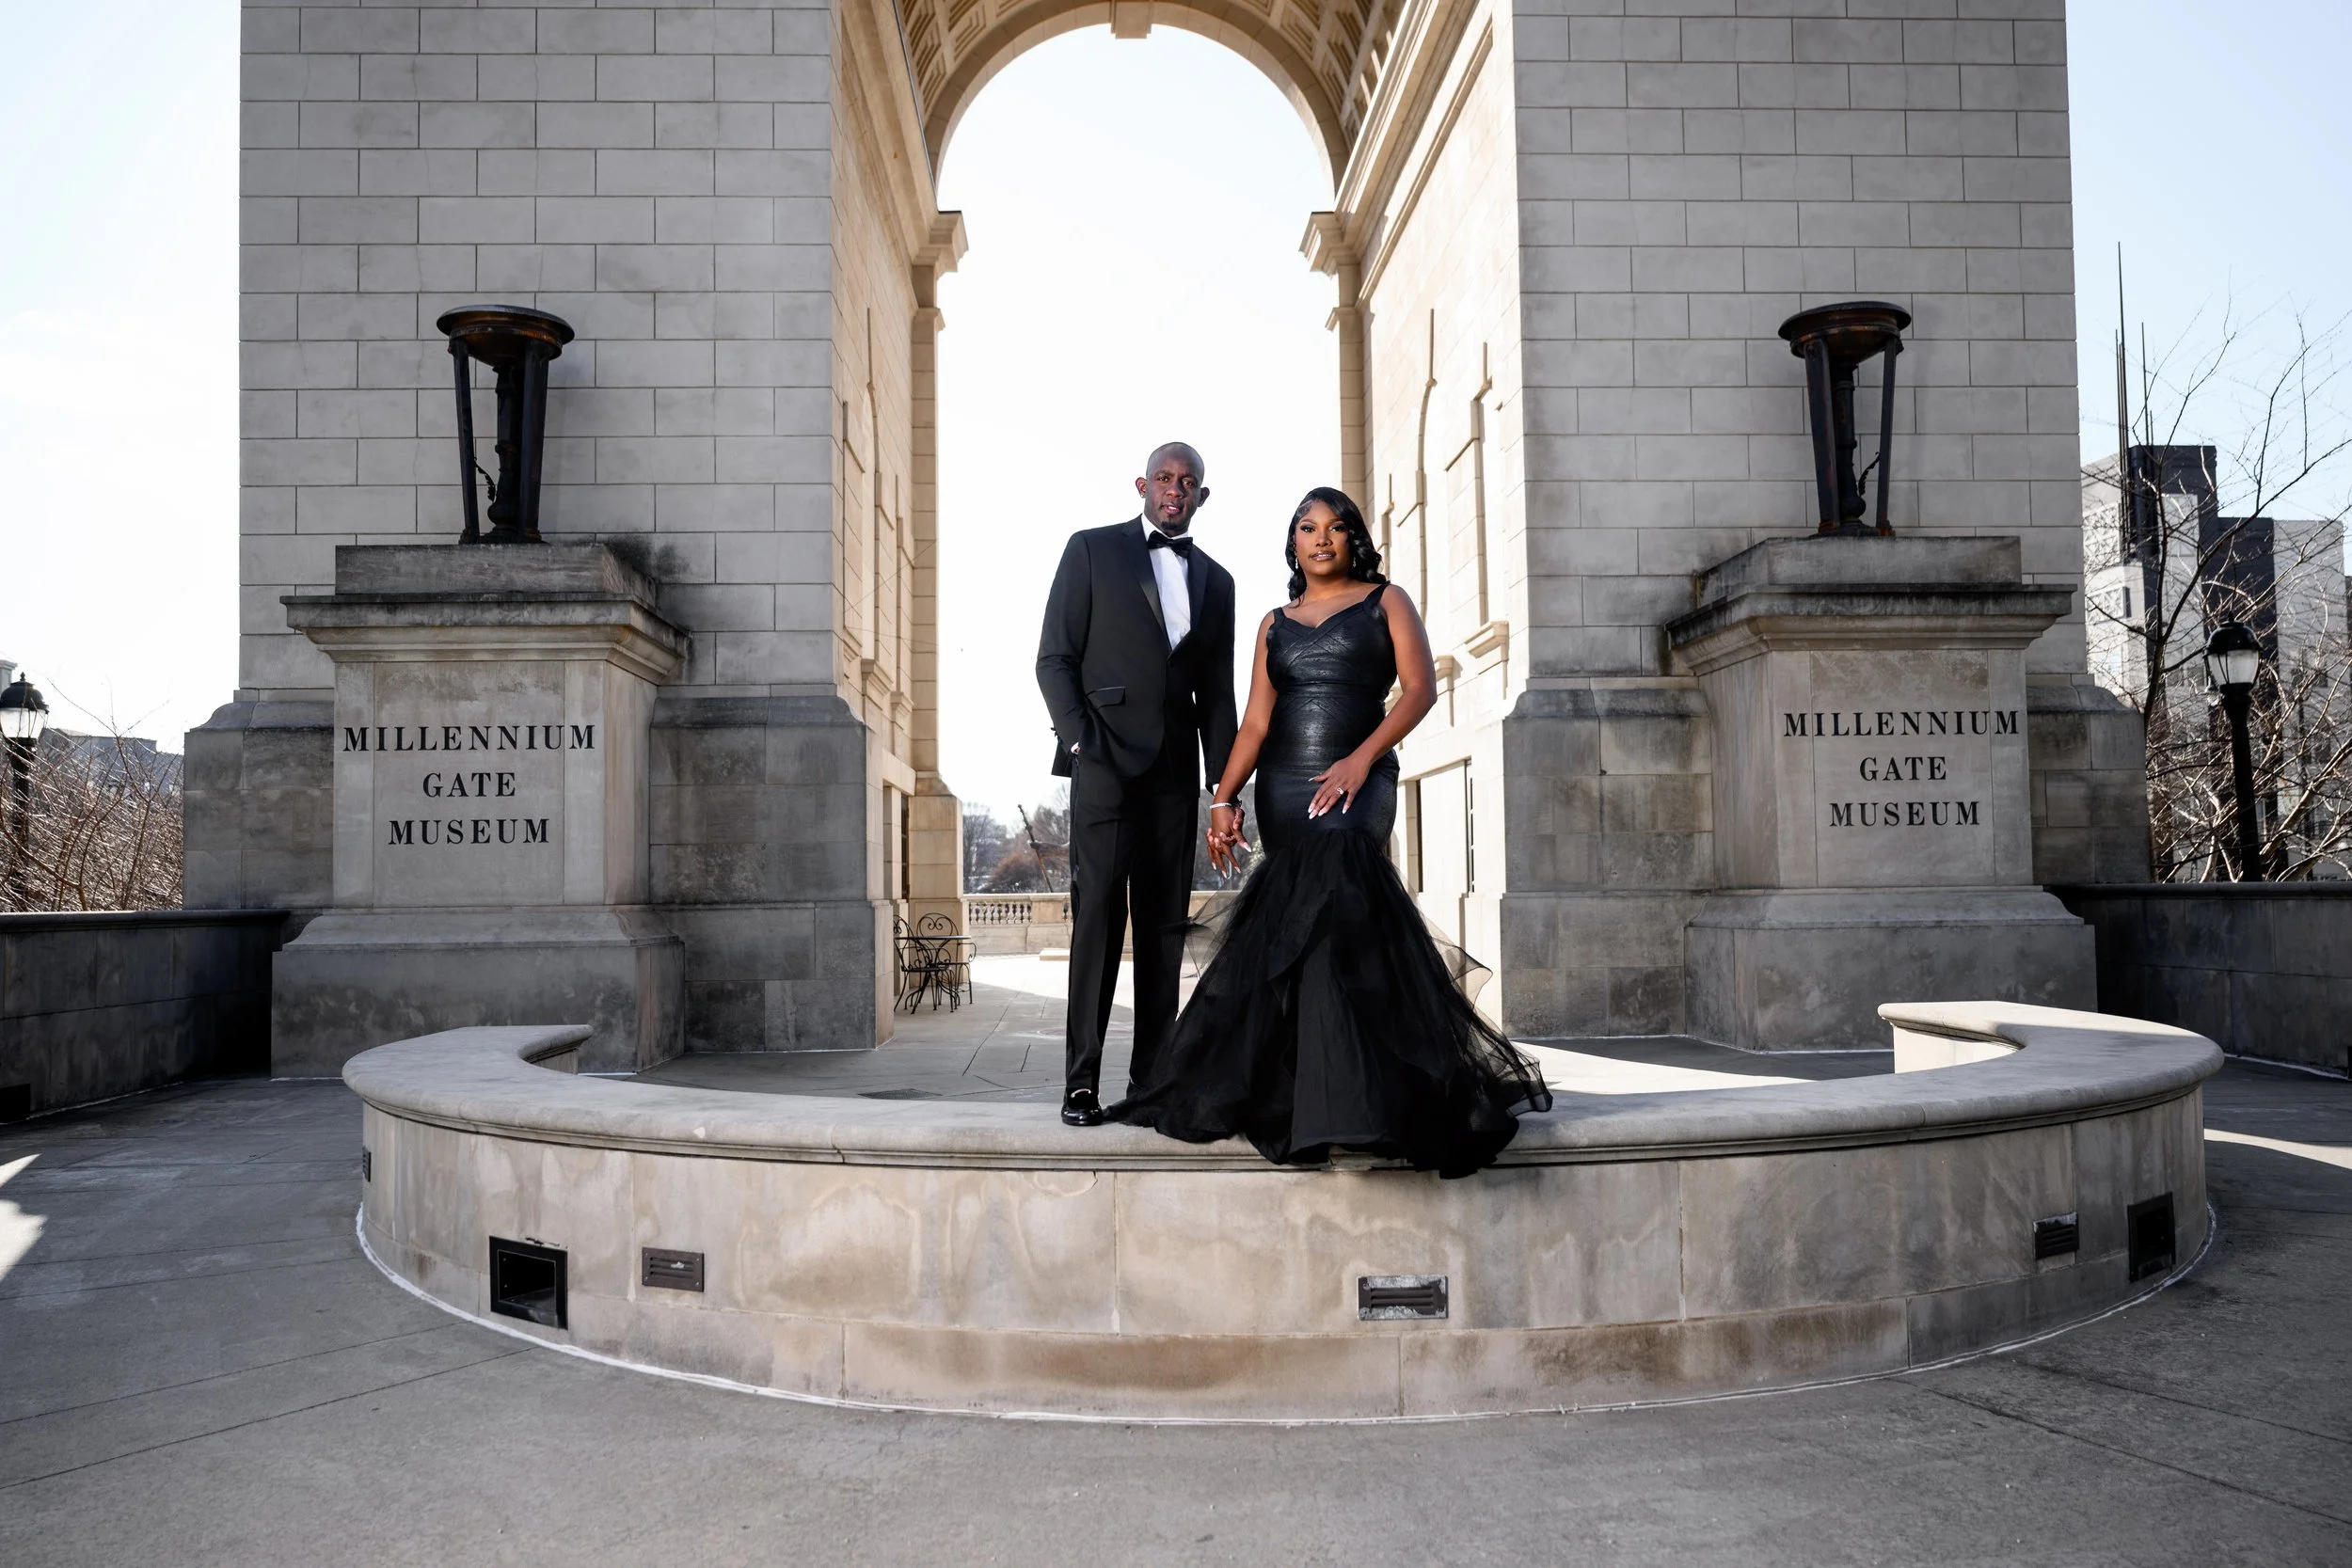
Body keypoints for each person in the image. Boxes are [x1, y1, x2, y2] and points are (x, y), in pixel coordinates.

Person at [1108, 486, 1551, 1176]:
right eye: (1307, 529)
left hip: (1358, 780)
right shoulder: (1273, 624)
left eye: (1336, 528)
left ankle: (1358, 1104)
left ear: (1354, 540)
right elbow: (1255, 722)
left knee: (1343, 880)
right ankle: (1308, 1100)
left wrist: (1360, 758)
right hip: (1284, 789)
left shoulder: (1386, 601)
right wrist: (1223, 798)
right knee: (1302, 932)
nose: (1322, 539)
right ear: (1292, 546)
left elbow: (1419, 690)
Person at [1035, 443, 1239, 1128]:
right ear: (1142, 485)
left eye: (1188, 482)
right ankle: (1081, 1083)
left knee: (1163, 930)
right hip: (1104, 764)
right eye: (1164, 478)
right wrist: (1079, 738)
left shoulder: (1219, 581)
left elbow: (1216, 697)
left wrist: (1224, 790)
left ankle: (1150, 1080)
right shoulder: (1090, 551)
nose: (1175, 489)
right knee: (1098, 918)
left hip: (1176, 778)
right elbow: (1054, 657)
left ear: (1200, 497)